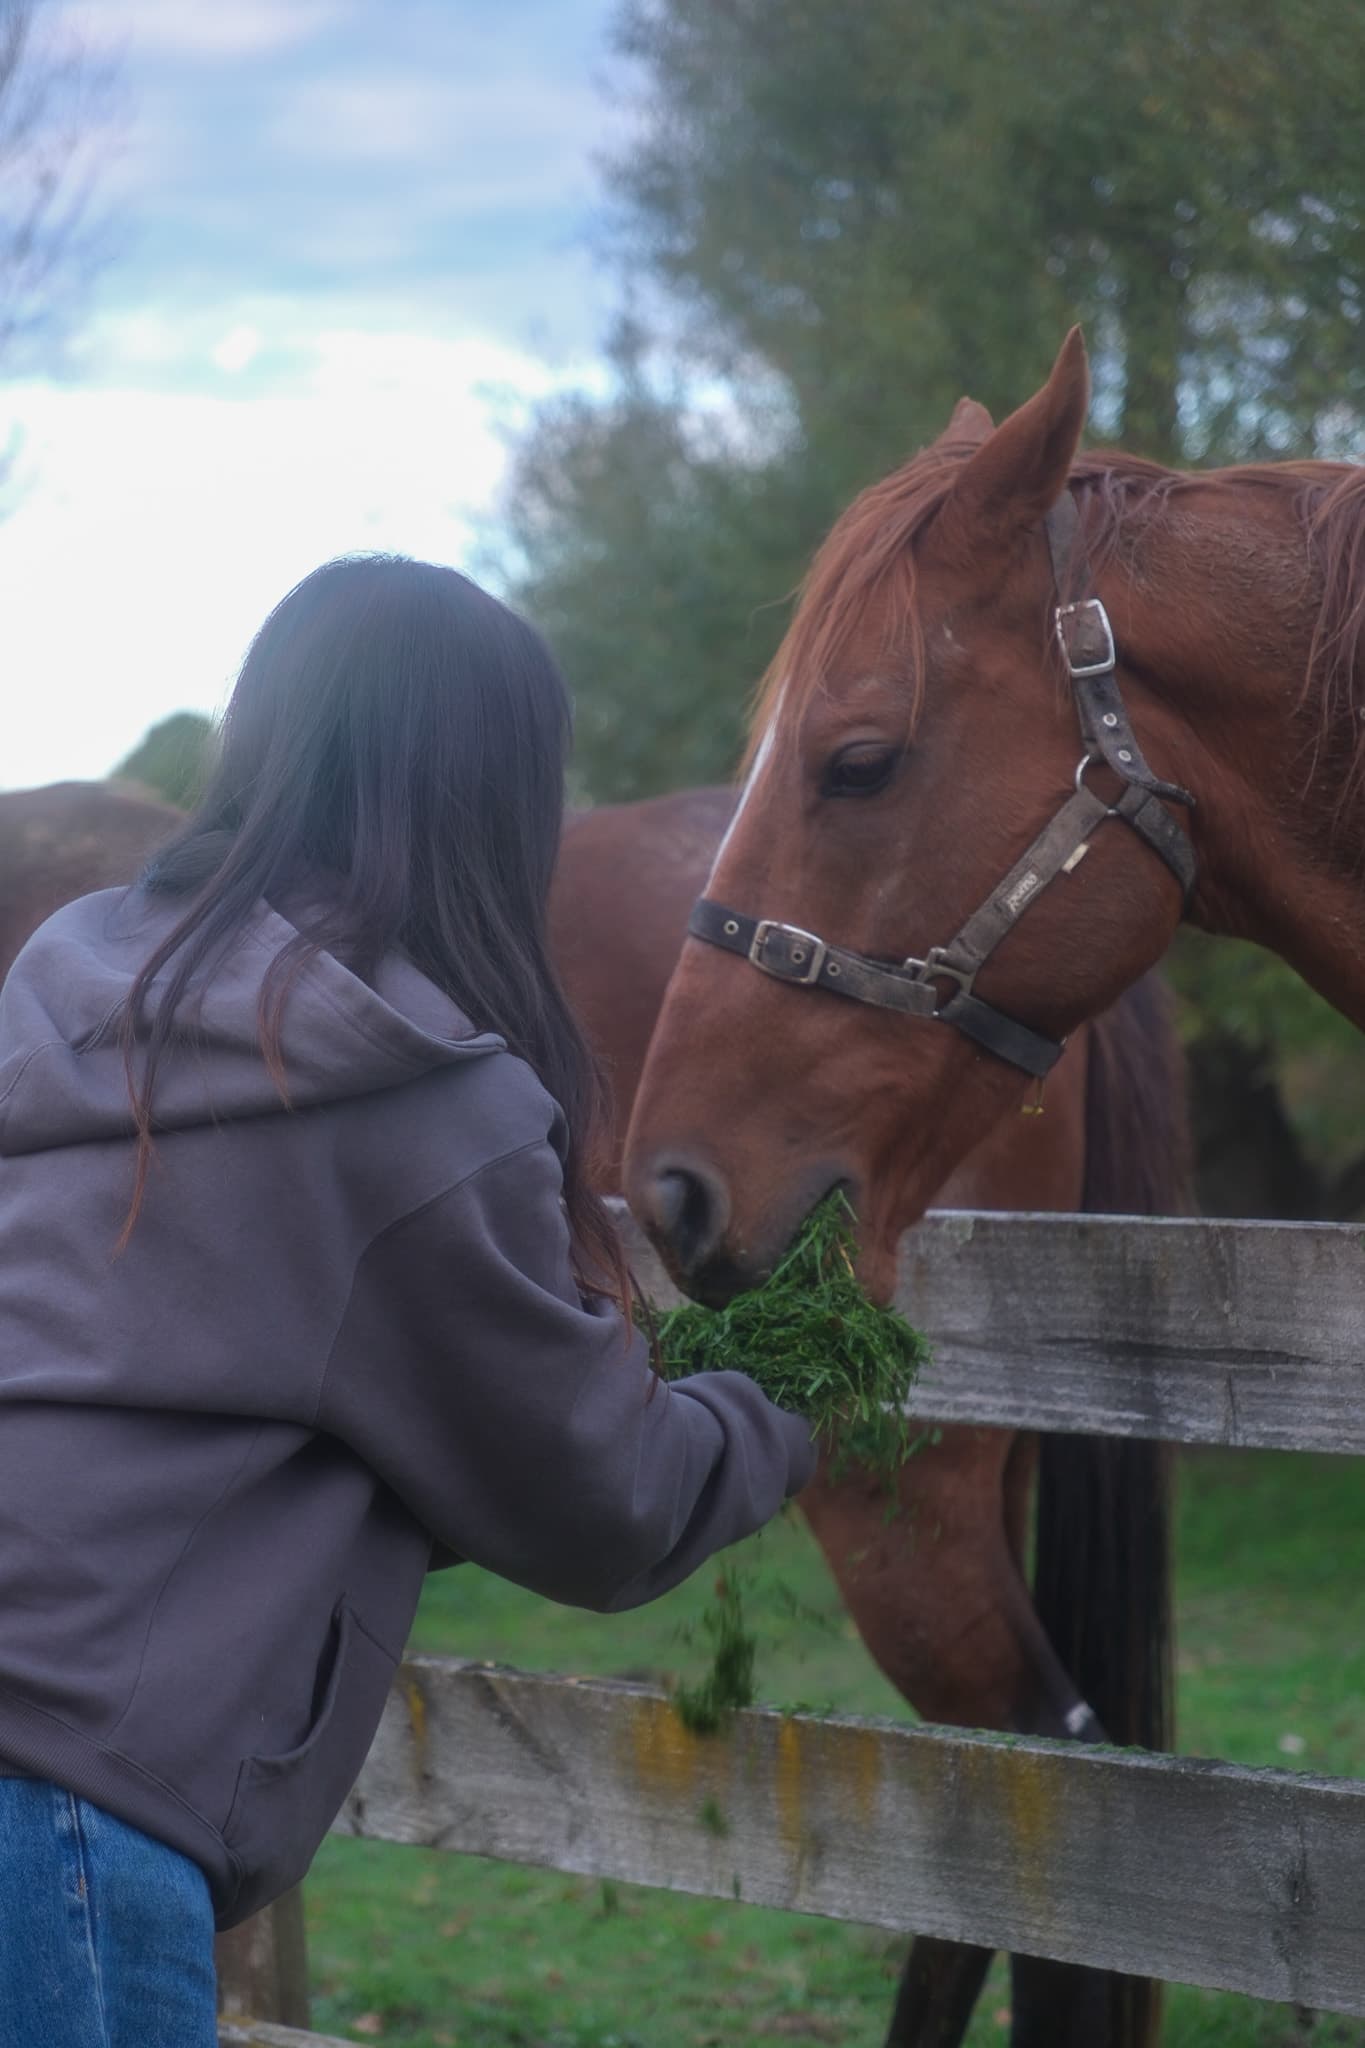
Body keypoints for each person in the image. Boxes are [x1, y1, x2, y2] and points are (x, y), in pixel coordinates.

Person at [0, 556, 815, 2047]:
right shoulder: (414, 1099)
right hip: (64, 1811)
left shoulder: (68, 988)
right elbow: (602, 1494)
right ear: (494, 797)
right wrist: (787, 1391)